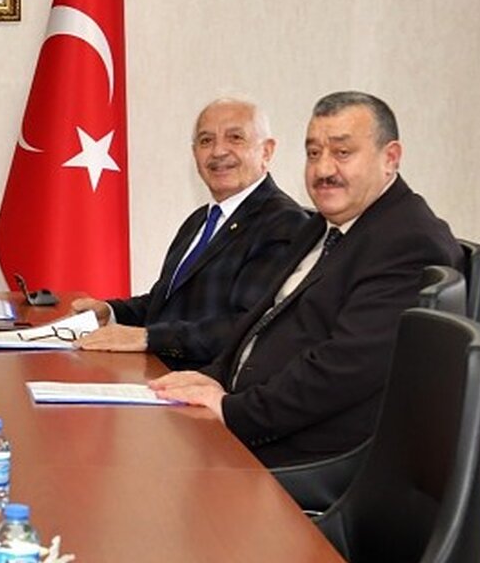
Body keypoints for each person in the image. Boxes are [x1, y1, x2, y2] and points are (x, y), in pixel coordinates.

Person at [150, 92, 462, 467]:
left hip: (311, 455)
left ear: (390, 158)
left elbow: (343, 369)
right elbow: (261, 317)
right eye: (313, 153)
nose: (323, 169)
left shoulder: (408, 242)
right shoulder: (324, 224)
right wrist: (213, 377)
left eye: (342, 152)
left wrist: (233, 411)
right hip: (256, 416)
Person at [73, 99, 308, 369]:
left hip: (209, 386)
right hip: (159, 375)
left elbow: (247, 326)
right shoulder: (200, 220)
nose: (218, 151)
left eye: (235, 138)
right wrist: (111, 311)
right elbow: (166, 304)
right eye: (206, 141)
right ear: (194, 153)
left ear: (266, 151)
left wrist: (149, 337)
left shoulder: (283, 223)